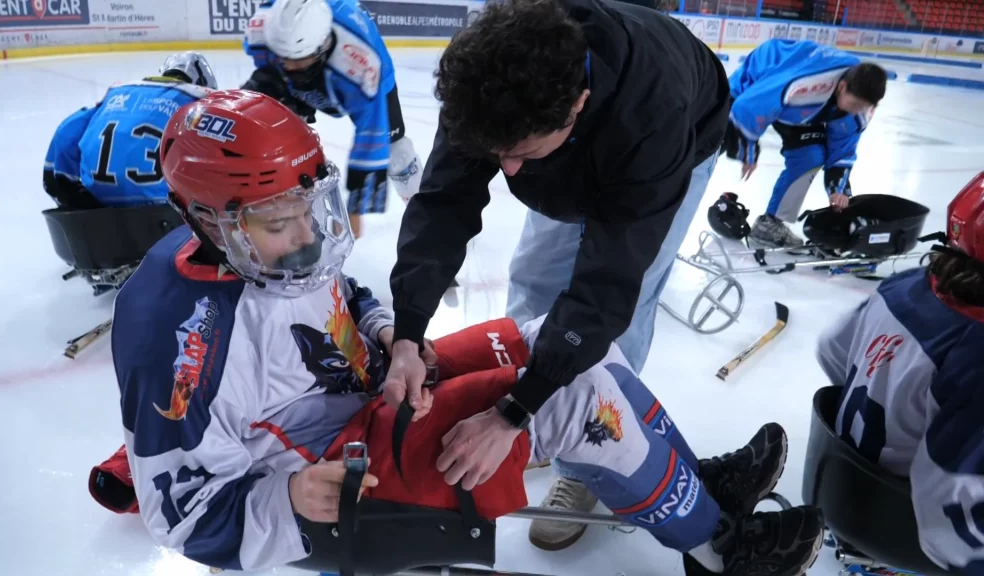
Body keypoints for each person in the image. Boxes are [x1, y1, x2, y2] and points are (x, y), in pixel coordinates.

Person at [99, 89, 824, 576]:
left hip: (371, 395)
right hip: (338, 467)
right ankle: (721, 552)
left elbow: (338, 294)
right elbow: (181, 515)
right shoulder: (180, 344)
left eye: (308, 207)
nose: (306, 236)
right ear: (210, 217)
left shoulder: (259, 243)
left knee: (554, 343)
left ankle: (693, 485)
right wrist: (286, 502)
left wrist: (387, 336)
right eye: (278, 221)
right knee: (578, 401)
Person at [385, 0, 732, 549]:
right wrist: (407, 330)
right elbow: (444, 205)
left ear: (578, 105)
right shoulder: (484, 81)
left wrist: (513, 415)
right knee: (535, 278)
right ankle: (537, 410)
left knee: (623, 316)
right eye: (494, 153)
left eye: (519, 153)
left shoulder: (652, 115)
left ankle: (589, 451)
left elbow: (606, 287)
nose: (507, 170)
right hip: (568, 142)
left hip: (677, 137)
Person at [815, 172, 984, 574]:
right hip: (903, 527)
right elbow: (947, 496)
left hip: (847, 490)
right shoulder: (975, 356)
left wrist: (895, 400)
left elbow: (832, 350)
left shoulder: (906, 285)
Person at [241, 0, 422, 239]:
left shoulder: (361, 64)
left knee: (397, 151)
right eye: (286, 58)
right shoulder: (260, 33)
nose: (291, 67)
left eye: (299, 59)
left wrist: (355, 211)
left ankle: (424, 210)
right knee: (283, 140)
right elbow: (269, 74)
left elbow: (371, 133)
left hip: (355, 73)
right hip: (302, 60)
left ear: (323, 46)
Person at [722, 39, 888, 248]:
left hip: (805, 109)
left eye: (863, 106)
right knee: (712, 142)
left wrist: (838, 188)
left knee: (811, 156)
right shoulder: (805, 83)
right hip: (763, 79)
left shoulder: (860, 106)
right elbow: (748, 107)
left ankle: (770, 224)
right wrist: (748, 151)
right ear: (842, 87)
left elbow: (844, 147)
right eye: (855, 104)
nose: (858, 110)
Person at [43, 52, 217, 210]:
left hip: (97, 211)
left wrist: (70, 194)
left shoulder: (116, 93)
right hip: (163, 214)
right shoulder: (201, 100)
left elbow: (64, 134)